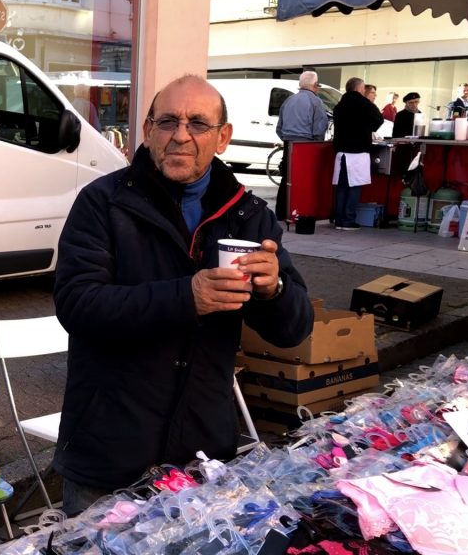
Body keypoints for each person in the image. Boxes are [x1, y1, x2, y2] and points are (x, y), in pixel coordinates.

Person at [51, 75, 314, 516]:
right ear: (149, 130)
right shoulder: (103, 203)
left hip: (202, 451)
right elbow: (77, 304)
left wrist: (275, 288)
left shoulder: (248, 216)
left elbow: (293, 331)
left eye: (198, 124)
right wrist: (185, 297)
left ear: (223, 137)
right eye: (168, 121)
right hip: (109, 446)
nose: (181, 135)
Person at [274, 71, 331, 221]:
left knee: (287, 177)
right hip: (306, 144)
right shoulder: (316, 102)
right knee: (303, 179)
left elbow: (279, 127)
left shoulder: (289, 100)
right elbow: (320, 126)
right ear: (315, 85)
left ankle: (281, 212)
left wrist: (286, 138)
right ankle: (300, 212)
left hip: (288, 143)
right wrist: (317, 143)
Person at [331, 77, 383, 231]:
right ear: (360, 89)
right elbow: (378, 120)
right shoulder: (365, 104)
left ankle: (339, 219)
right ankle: (348, 219)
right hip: (358, 151)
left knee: (341, 187)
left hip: (341, 151)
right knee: (354, 186)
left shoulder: (339, 105)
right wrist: (367, 127)